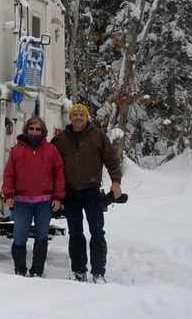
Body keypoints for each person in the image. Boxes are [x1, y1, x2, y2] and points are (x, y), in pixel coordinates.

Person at [51, 103, 122, 283]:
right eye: (75, 115)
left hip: (92, 192)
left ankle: (98, 272)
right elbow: (51, 166)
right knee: (76, 233)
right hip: (71, 193)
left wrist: (116, 182)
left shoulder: (98, 136)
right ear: (70, 118)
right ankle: (78, 270)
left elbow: (112, 160)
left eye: (82, 115)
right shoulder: (60, 140)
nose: (78, 118)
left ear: (87, 117)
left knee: (97, 232)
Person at [2, 116, 65, 277]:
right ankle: (20, 269)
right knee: (20, 237)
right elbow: (9, 174)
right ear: (26, 130)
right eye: (32, 129)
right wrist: (8, 194)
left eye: (38, 129)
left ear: (43, 131)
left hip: (44, 203)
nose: (35, 132)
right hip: (22, 202)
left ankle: (37, 269)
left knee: (41, 236)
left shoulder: (51, 150)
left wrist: (58, 197)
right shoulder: (16, 150)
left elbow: (59, 174)